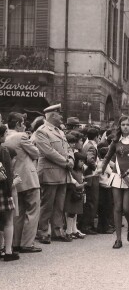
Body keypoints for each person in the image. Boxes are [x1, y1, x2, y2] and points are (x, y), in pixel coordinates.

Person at [101, 116, 129, 249]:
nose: (125, 127)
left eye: (127, 125)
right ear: (119, 127)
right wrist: (101, 169)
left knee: (127, 208)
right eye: (123, 125)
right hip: (117, 176)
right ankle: (118, 239)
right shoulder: (115, 141)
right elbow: (107, 157)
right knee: (117, 207)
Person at [4, 112, 42, 253]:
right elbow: (36, 153)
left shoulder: (5, 137)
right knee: (32, 210)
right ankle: (27, 243)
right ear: (19, 123)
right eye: (23, 123)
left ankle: (15, 242)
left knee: (18, 212)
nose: (24, 125)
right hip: (28, 178)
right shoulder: (21, 136)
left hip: (14, 178)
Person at [35, 104, 74, 244]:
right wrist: (66, 162)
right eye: (59, 114)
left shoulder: (60, 131)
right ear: (52, 115)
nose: (62, 116)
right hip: (50, 173)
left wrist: (71, 158)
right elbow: (48, 152)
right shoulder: (41, 131)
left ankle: (58, 231)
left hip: (62, 173)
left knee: (59, 205)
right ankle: (43, 232)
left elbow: (68, 147)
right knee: (47, 204)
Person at [0, 125, 20, 261]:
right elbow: (8, 172)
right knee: (8, 220)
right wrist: (10, 188)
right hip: (3, 189)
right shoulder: (3, 149)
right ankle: (8, 251)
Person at [64, 152, 87, 239]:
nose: (82, 163)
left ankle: (74, 229)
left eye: (83, 161)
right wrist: (78, 184)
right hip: (72, 192)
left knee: (75, 212)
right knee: (71, 212)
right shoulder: (71, 171)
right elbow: (71, 180)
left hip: (79, 192)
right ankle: (68, 231)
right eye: (81, 161)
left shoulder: (81, 170)